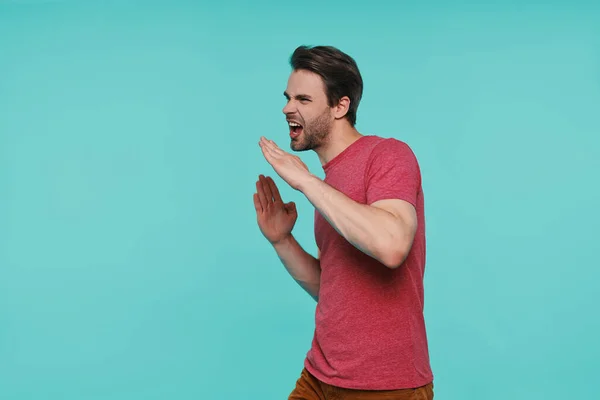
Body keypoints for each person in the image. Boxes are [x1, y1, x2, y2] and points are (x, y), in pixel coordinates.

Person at [253, 45, 434, 400]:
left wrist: (306, 182)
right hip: (319, 376)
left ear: (340, 106)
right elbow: (333, 289)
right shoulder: (328, 182)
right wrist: (282, 241)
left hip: (384, 386)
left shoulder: (387, 155)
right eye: (288, 97)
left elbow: (392, 245)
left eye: (303, 99)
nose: (288, 108)